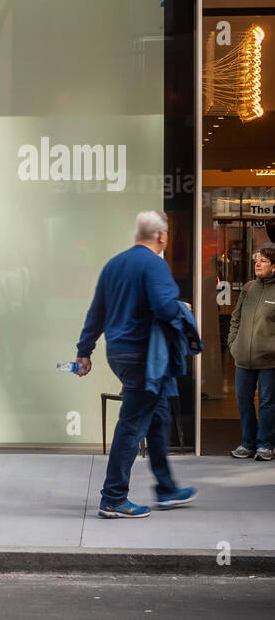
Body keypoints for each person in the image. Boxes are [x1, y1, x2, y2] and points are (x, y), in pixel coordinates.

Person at [75, 211, 197, 518]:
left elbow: (96, 313)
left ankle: (167, 489)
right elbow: (164, 307)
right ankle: (114, 497)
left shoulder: (114, 265)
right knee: (132, 424)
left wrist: (84, 350)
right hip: (145, 357)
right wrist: (181, 307)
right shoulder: (154, 264)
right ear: (161, 237)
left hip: (119, 354)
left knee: (157, 418)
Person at [227, 243, 275, 461]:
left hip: (269, 361)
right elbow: (236, 317)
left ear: (274, 267)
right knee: (243, 401)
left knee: (266, 403)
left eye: (264, 260)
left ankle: (265, 444)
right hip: (243, 359)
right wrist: (233, 344)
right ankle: (248, 442)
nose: (258, 263)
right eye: (257, 259)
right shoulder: (248, 288)